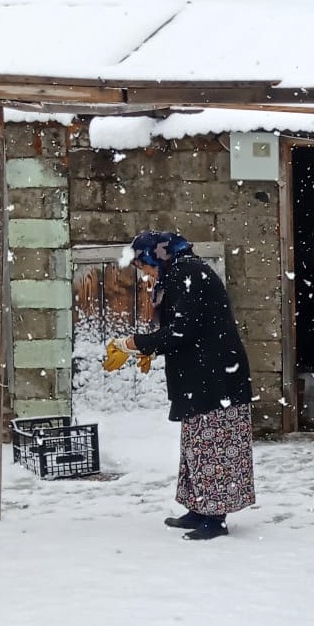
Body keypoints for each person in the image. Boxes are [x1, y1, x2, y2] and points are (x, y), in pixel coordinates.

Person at [104, 231, 255, 540]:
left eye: (142, 265)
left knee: (214, 449)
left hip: (216, 379)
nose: (143, 272)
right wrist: (149, 347)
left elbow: (182, 330)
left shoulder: (187, 273)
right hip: (205, 377)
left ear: (155, 255)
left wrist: (136, 343)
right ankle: (199, 510)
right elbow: (182, 329)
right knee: (198, 447)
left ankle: (214, 519)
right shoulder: (182, 272)